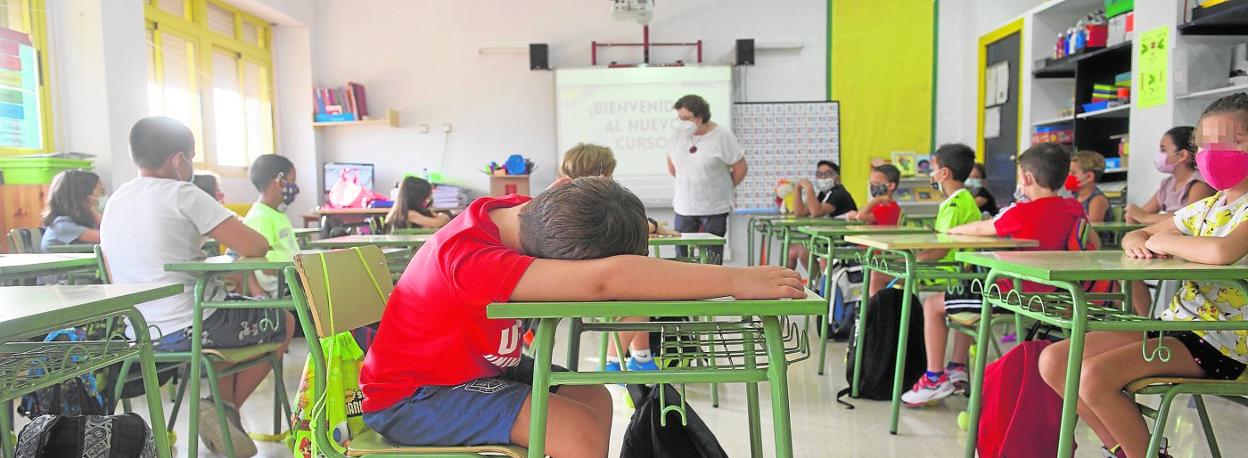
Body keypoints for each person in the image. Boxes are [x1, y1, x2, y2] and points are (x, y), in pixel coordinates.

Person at [359, 177, 804, 456]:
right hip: (414, 397)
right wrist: (736, 279)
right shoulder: (473, 260)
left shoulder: (526, 214)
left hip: (473, 366)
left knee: (593, 396)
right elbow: (607, 280)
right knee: (576, 432)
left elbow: (569, 197)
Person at [1040, 93, 1248, 458]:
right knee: (1055, 361)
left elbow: (1221, 252)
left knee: (1094, 377)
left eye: (1230, 143)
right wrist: (1139, 240)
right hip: (1177, 327)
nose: (1213, 154)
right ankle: (1129, 450)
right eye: (1206, 145)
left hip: (1227, 341)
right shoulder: (1208, 207)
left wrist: (1164, 240)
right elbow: (1136, 235)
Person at [100, 116, 292, 457]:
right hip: (194, 325)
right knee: (283, 321)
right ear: (178, 160)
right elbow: (256, 246)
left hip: (139, 332)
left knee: (229, 312)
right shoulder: (182, 193)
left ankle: (222, 412)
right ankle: (220, 407)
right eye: (190, 157)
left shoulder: (117, 200)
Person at [903, 143, 1089, 406]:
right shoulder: (1075, 209)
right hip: (1060, 295)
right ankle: (956, 367)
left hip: (1014, 294)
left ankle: (935, 378)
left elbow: (981, 228)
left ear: (1026, 178)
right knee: (964, 292)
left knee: (933, 304)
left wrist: (953, 231)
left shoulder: (1020, 211)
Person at [555, 143, 655, 371]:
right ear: (599, 175)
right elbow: (629, 228)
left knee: (640, 287)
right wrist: (654, 226)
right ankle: (614, 361)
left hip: (565, 281)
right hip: (585, 285)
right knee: (646, 292)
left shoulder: (560, 199)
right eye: (610, 174)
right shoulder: (592, 204)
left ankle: (642, 357)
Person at [867, 144, 982, 298]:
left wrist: (913, 260)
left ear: (944, 173)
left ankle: (878, 314)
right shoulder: (963, 199)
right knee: (883, 267)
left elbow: (940, 250)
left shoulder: (954, 205)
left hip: (948, 269)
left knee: (878, 274)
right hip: (949, 265)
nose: (931, 175)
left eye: (933, 169)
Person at [666, 94, 747, 265]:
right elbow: (672, 167)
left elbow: (740, 168)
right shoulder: (676, 136)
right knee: (682, 257)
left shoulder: (722, 135)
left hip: (714, 207)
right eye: (679, 118)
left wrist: (723, 187)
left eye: (686, 118)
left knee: (712, 257)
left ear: (700, 117)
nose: (681, 122)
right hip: (684, 206)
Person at [1125, 126, 1215, 224]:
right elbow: (1140, 214)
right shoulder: (1168, 184)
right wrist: (1134, 215)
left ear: (1182, 155)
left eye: (1163, 150)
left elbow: (1189, 218)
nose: (1159, 154)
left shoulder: (1199, 183)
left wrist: (1145, 218)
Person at [242, 154, 301, 298]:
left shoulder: (277, 214)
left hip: (293, 280)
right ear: (280, 182)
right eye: (292, 181)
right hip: (283, 286)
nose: (295, 186)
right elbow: (253, 263)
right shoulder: (260, 217)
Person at [785, 160, 858, 270]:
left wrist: (809, 188)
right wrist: (798, 190)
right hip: (826, 238)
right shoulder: (823, 194)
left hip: (841, 240)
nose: (823, 177)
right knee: (792, 251)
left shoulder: (839, 193)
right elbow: (800, 213)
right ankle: (783, 279)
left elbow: (816, 212)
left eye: (828, 174)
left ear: (837, 177)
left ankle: (818, 280)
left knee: (804, 252)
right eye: (819, 174)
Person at [39, 169, 104, 251]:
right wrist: (90, 208)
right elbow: (108, 237)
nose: (102, 196)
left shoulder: (77, 222)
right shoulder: (62, 226)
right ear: (84, 195)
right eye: (101, 191)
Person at [385, 176, 451, 231]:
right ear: (418, 197)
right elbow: (439, 222)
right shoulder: (409, 214)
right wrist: (442, 216)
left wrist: (441, 216)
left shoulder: (401, 211)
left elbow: (443, 219)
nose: (427, 201)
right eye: (426, 197)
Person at [1070, 150, 1112, 222]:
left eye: (1073, 172)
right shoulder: (1074, 196)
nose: (1068, 175)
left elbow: (1091, 226)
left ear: (1089, 176)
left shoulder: (1098, 199)